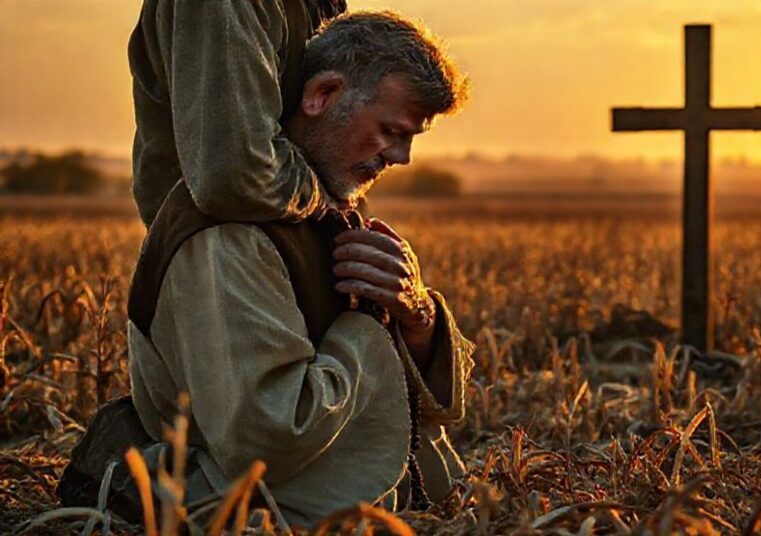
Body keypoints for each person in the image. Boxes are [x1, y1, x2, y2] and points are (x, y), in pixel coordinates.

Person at [59, 12, 474, 528]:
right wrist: (367, 324)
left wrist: (415, 315)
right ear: (321, 94)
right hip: (280, 514)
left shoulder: (331, 207)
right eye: (390, 131)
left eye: (410, 137)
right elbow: (268, 439)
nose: (402, 157)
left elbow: (427, 416)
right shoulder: (227, 239)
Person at [128, 0, 346, 226]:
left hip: (271, 246)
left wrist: (357, 230)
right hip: (219, 246)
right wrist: (326, 204)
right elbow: (235, 176)